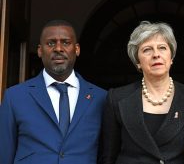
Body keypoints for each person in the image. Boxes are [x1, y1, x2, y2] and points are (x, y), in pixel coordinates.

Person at [101, 21, 184, 164]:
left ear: (171, 58)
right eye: (147, 50)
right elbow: (108, 155)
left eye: (162, 48)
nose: (156, 55)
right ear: (137, 61)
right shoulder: (116, 98)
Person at [0, 19, 107, 164]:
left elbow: (107, 154)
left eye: (65, 42)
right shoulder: (14, 97)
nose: (58, 48)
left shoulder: (101, 98)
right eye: (51, 43)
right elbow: (4, 155)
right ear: (39, 50)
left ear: (77, 49)